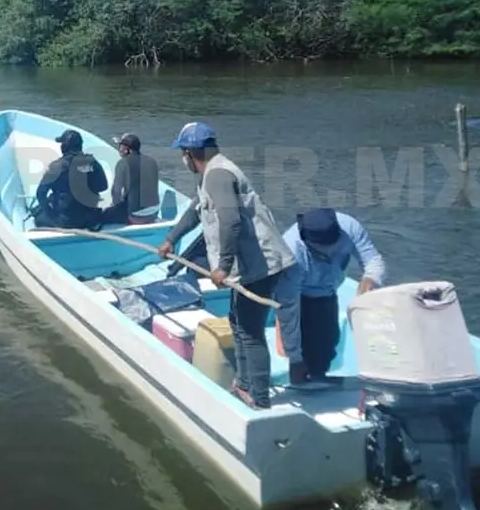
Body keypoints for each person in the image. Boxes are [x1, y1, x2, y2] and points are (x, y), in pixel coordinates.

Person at [157, 122, 295, 410]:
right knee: (238, 322)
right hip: (246, 266)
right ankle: (244, 384)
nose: (183, 160)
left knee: (250, 330)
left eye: (183, 153)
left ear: (190, 152)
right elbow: (195, 212)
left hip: (257, 266)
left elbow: (230, 222)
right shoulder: (212, 173)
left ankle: (259, 398)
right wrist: (171, 239)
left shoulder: (218, 175)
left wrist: (223, 266)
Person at [275, 208, 385, 385]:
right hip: (299, 295)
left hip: (328, 291)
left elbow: (374, 260)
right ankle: (299, 376)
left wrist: (371, 278)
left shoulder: (349, 227)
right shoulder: (291, 250)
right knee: (303, 348)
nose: (329, 253)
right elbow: (287, 307)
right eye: (321, 251)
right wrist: (295, 359)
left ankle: (319, 376)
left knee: (328, 345)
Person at [33, 129, 109, 229]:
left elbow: (40, 193)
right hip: (90, 219)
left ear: (64, 146)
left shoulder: (56, 166)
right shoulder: (92, 162)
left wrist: (53, 216)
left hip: (66, 221)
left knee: (37, 215)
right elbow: (103, 186)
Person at [102, 133, 161, 226]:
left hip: (136, 216)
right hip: (155, 212)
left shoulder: (122, 163)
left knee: (102, 215)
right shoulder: (152, 161)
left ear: (127, 150)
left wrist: (115, 207)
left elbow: (116, 192)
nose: (119, 149)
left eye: (120, 147)